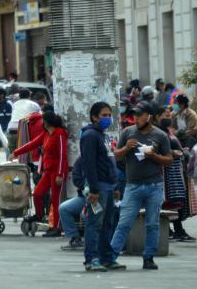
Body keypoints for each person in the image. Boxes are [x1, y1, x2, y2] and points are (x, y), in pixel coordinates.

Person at [110, 101, 173, 270]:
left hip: (154, 185)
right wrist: (126, 148)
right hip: (133, 186)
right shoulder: (127, 132)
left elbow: (169, 160)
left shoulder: (160, 135)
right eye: (135, 115)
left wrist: (154, 156)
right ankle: (111, 256)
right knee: (124, 223)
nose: (136, 118)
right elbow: (116, 156)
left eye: (139, 115)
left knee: (152, 224)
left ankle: (149, 257)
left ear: (149, 116)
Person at [11, 111, 69, 237]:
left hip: (57, 171)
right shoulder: (46, 134)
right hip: (48, 171)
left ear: (47, 122)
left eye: (43, 120)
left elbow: (62, 156)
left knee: (55, 199)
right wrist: (16, 152)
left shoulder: (59, 134)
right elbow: (32, 144)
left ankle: (56, 228)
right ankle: (39, 215)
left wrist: (59, 174)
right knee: (37, 193)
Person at [80, 102, 122, 271]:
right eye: (104, 115)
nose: (107, 118)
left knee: (107, 224)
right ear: (94, 117)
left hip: (110, 186)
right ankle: (92, 259)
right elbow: (89, 164)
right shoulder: (90, 135)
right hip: (99, 188)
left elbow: (109, 162)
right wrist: (94, 189)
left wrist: (116, 186)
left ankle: (106, 257)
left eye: (109, 115)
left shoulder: (103, 136)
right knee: (95, 223)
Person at [152, 105, 195, 242]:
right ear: (157, 117)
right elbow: (155, 149)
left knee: (175, 203)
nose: (169, 117)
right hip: (166, 171)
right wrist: (173, 153)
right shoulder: (156, 132)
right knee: (168, 202)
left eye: (169, 115)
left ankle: (176, 230)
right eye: (165, 115)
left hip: (174, 170)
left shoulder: (168, 131)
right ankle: (173, 230)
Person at [59, 157, 86, 251]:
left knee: (87, 214)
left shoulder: (102, 158)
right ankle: (74, 237)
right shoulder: (80, 160)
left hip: (100, 196)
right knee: (64, 208)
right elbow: (76, 178)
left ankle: (93, 240)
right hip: (84, 196)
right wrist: (86, 186)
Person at [7, 88, 41, 153]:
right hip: (24, 130)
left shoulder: (15, 104)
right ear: (29, 95)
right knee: (25, 153)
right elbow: (40, 116)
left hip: (11, 129)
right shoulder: (33, 104)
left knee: (12, 153)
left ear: (19, 96)